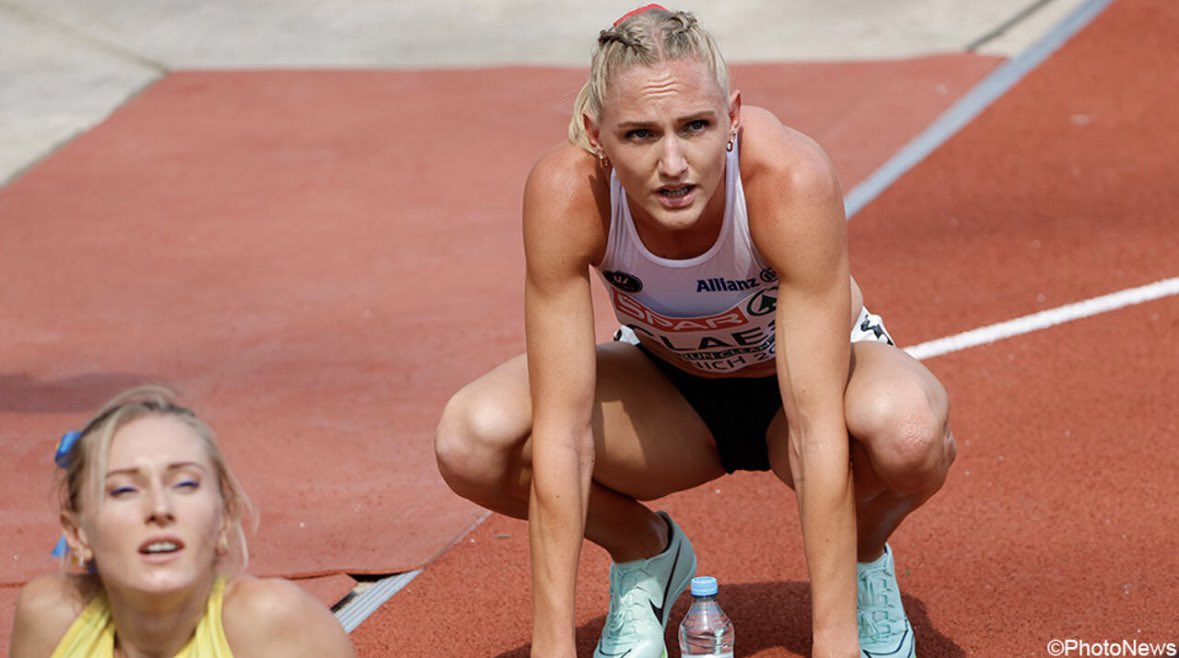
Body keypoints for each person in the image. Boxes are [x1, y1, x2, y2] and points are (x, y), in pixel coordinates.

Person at [434, 5, 956, 657]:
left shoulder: (787, 179)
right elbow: (564, 435)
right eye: (640, 136)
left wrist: (835, 644)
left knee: (906, 436)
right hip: (668, 397)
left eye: (695, 126)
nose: (673, 162)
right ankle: (643, 551)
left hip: (810, 387)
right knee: (471, 439)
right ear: (597, 135)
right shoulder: (567, 192)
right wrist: (551, 649)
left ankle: (861, 556)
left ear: (732, 117)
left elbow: (814, 424)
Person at [10, 386, 356, 658]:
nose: (160, 507)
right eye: (125, 490)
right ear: (77, 533)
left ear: (225, 518)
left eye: (185, 484)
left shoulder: (270, 622)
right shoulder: (50, 619)